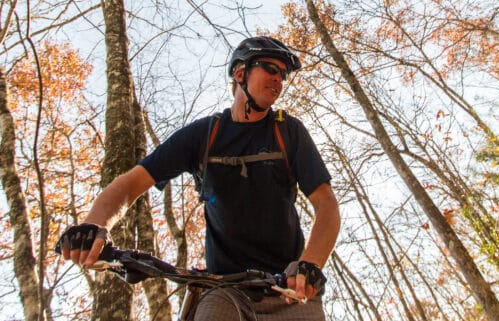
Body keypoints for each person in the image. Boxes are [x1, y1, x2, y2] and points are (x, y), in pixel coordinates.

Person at [56, 36, 341, 321]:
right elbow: (131, 183)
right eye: (270, 68)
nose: (278, 79)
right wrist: (94, 225)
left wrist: (310, 265)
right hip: (224, 289)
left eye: (283, 74)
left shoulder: (288, 131)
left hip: (287, 290)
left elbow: (326, 204)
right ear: (240, 73)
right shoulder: (205, 135)